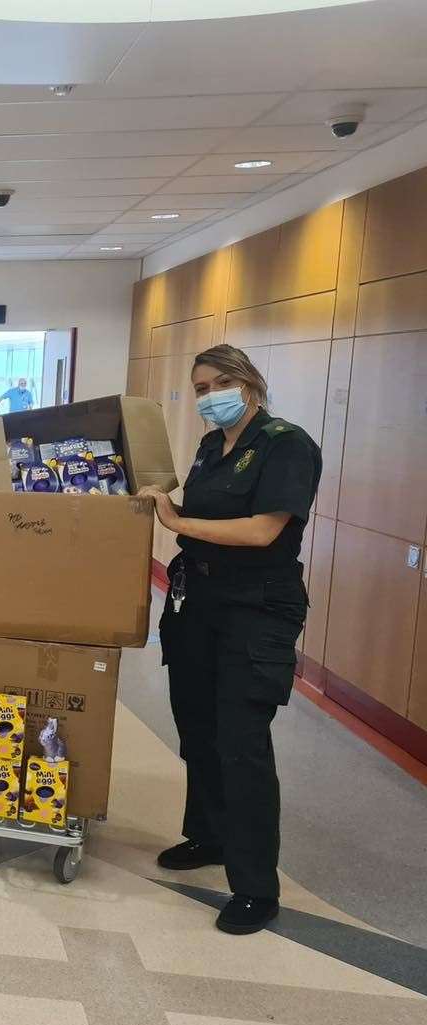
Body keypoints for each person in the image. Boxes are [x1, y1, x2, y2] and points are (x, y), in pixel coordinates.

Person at [139, 344, 321, 936]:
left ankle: (254, 886)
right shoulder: (211, 447)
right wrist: (161, 503)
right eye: (199, 387)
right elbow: (197, 505)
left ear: (250, 383)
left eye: (220, 382)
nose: (209, 394)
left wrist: (178, 523)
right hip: (199, 602)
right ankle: (209, 836)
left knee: (241, 739)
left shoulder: (286, 445)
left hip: (256, 607)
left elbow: (265, 529)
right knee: (196, 725)